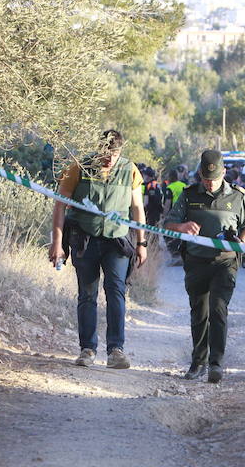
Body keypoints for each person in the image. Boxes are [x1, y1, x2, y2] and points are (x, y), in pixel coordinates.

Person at [48, 130, 148, 369]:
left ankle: (116, 350)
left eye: (115, 154)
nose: (110, 159)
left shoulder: (129, 169)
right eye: (106, 153)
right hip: (85, 239)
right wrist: (57, 242)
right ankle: (87, 349)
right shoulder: (79, 168)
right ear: (98, 149)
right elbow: (60, 206)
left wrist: (141, 243)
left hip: (117, 241)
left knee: (116, 292)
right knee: (87, 294)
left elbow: (137, 209)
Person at [164, 150, 245, 384]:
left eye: (213, 179)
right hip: (195, 262)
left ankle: (216, 363)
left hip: (225, 262)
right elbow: (168, 224)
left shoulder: (237, 196)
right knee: (199, 313)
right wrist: (182, 227)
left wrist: (241, 242)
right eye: (205, 178)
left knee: (218, 309)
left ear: (224, 173)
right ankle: (198, 362)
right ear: (199, 175)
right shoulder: (188, 195)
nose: (209, 183)